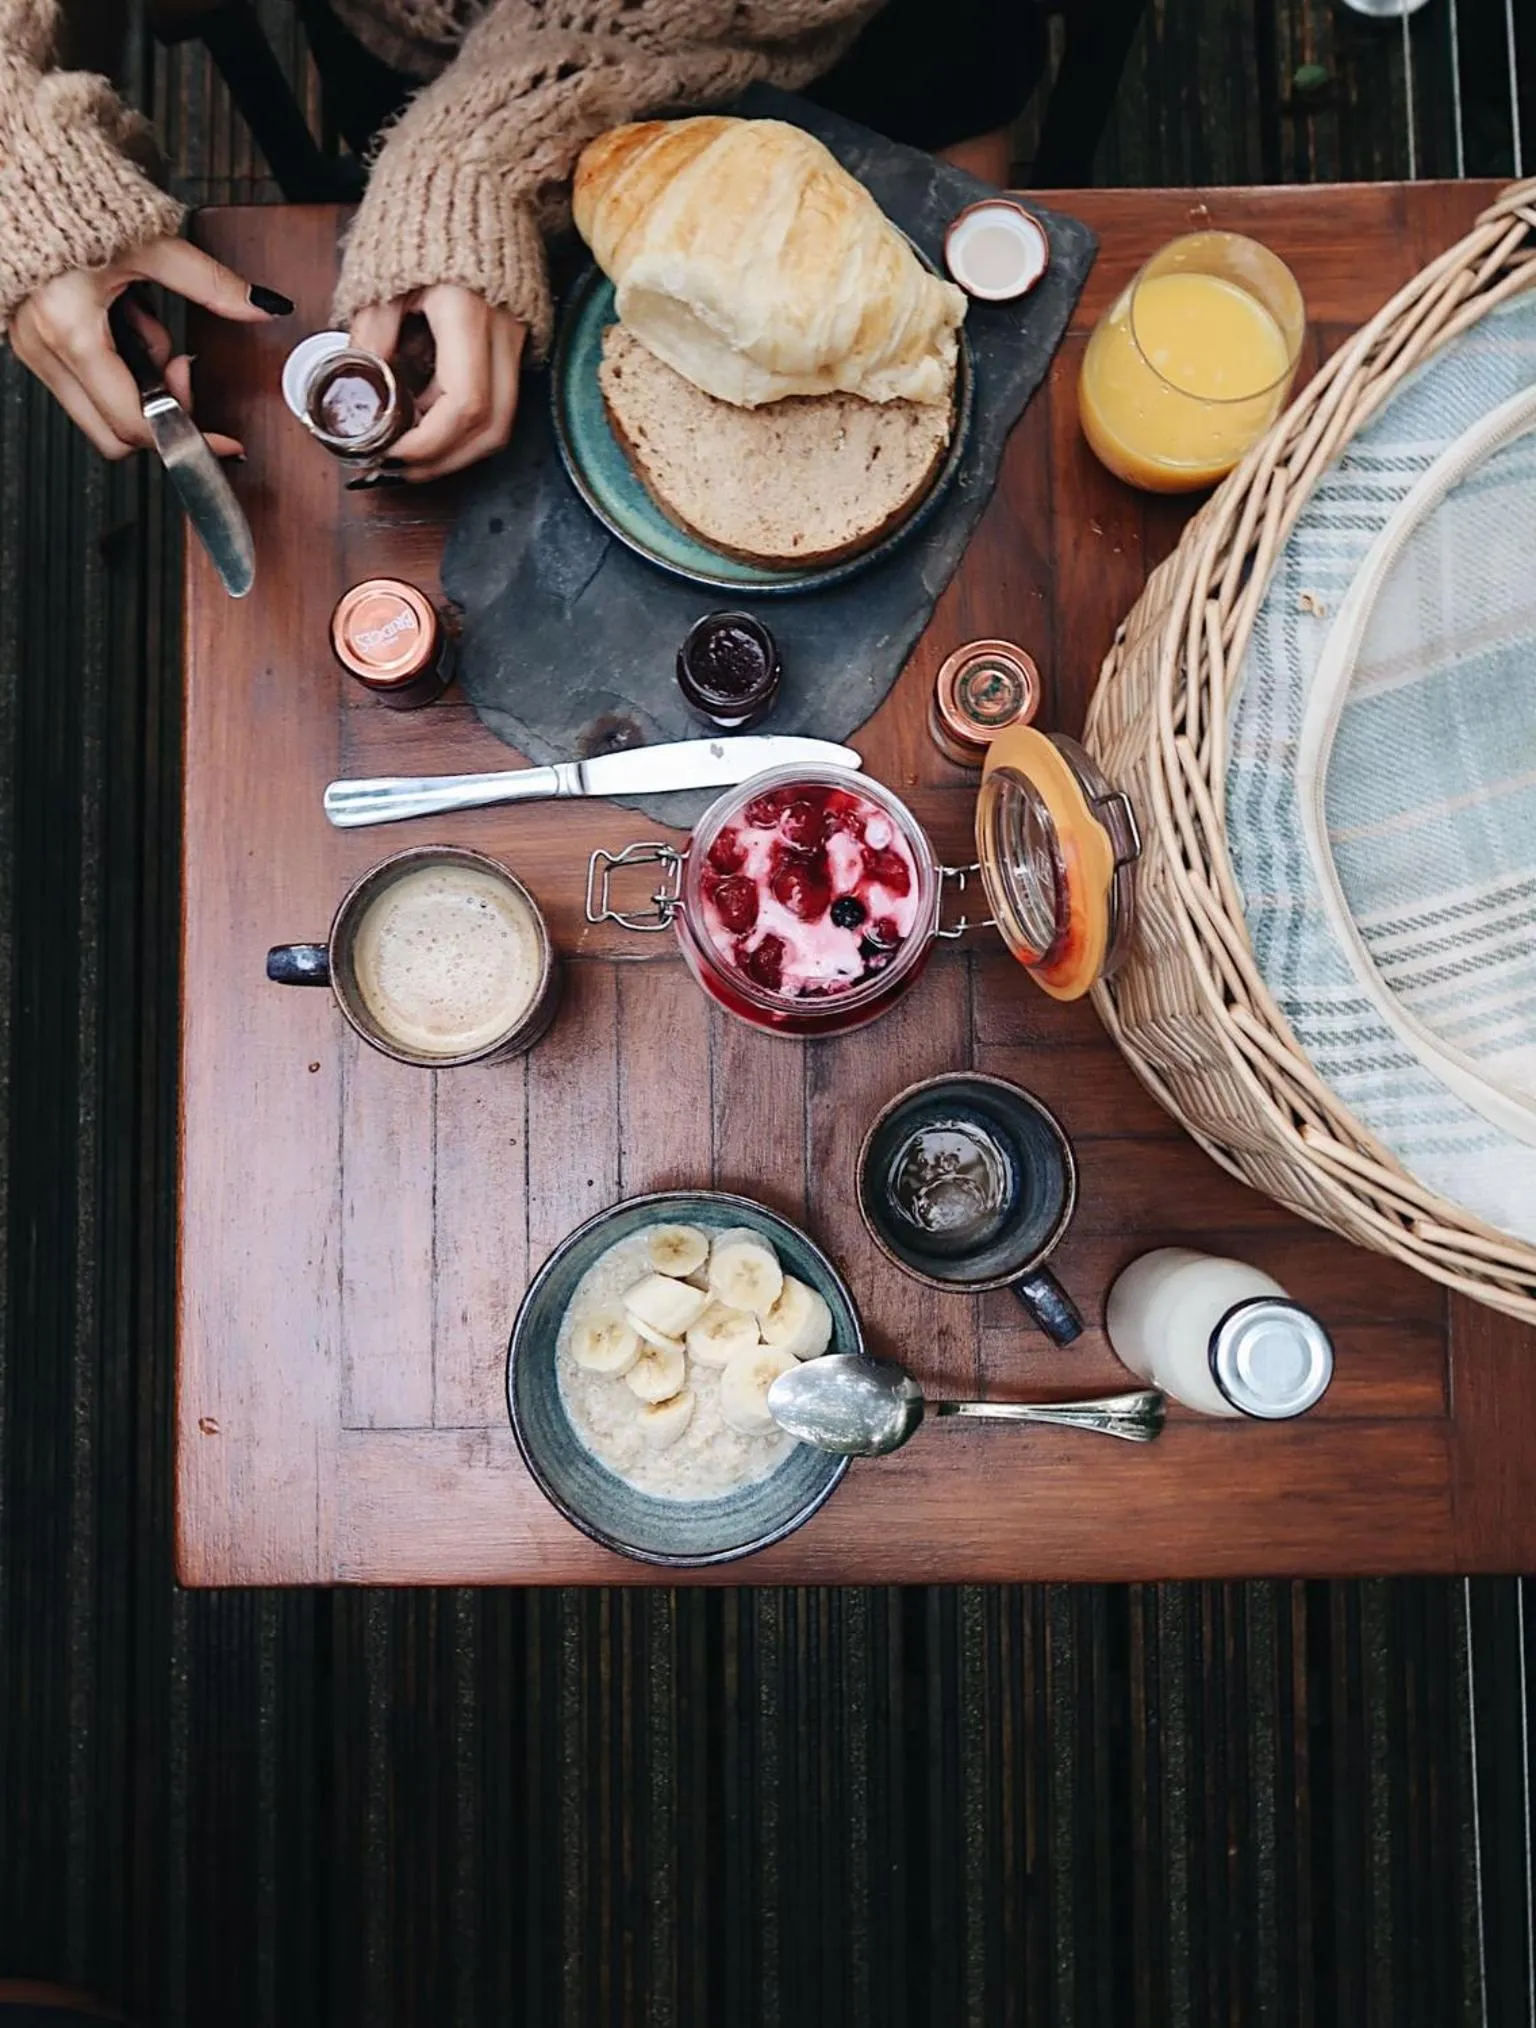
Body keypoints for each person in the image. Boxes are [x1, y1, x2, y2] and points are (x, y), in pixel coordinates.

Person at [0, 0, 1042, 480]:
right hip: (414, 45)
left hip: (839, 42)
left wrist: (491, 140)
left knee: (970, 423)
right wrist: (24, 163)